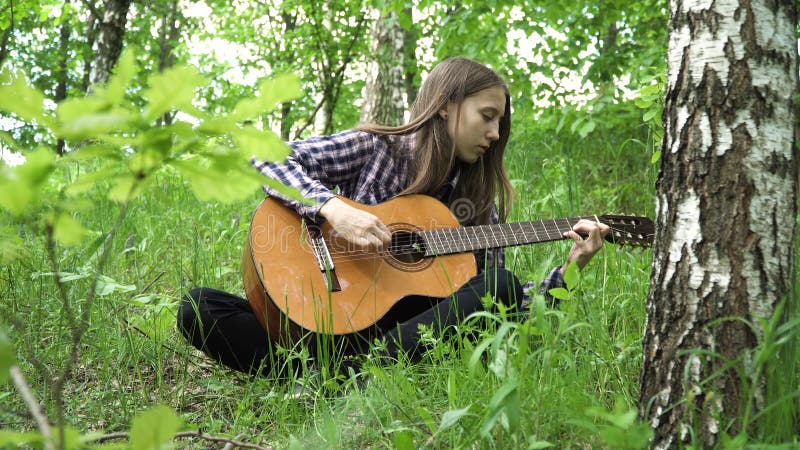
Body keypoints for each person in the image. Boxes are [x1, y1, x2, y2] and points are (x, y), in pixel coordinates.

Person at [176, 57, 609, 377]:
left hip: (401, 340)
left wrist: (574, 266)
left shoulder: (478, 208)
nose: (495, 135)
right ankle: (341, 379)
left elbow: (500, 310)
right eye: (487, 117)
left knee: (500, 284)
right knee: (200, 307)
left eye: (500, 123)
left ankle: (343, 379)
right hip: (327, 317)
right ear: (445, 106)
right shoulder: (377, 149)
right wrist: (334, 209)